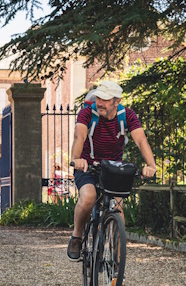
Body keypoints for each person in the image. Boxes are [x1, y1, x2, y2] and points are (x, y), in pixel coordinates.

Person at [67, 80, 157, 261]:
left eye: (105, 99)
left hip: (113, 168)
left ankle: (116, 260)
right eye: (98, 97)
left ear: (116, 101)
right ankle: (76, 237)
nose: (99, 102)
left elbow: (141, 140)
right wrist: (76, 159)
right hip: (87, 165)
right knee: (88, 198)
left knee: (117, 207)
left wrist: (151, 166)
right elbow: (80, 136)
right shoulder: (87, 113)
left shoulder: (127, 115)